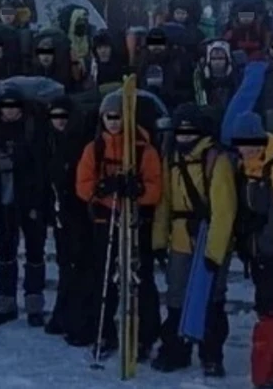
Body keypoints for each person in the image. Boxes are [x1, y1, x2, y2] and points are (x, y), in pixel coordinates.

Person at [75, 90, 163, 358]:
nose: (113, 122)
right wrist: (102, 188)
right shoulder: (94, 149)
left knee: (141, 278)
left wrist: (137, 191)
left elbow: (156, 189)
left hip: (136, 221)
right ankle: (104, 332)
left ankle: (146, 336)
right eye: (108, 117)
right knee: (104, 278)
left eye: (117, 117)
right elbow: (82, 186)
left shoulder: (143, 149)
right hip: (106, 219)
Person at [152, 104, 237, 377]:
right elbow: (164, 203)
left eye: (190, 131)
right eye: (181, 131)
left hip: (209, 237)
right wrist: (157, 241)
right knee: (176, 298)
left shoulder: (216, 159)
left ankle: (211, 355)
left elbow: (224, 209)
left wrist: (214, 253)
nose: (184, 137)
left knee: (212, 298)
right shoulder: (171, 157)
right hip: (179, 239)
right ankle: (175, 350)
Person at [230, 112, 273, 389]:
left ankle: (268, 371)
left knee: (268, 303)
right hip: (258, 250)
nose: (248, 148)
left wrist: (262, 244)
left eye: (252, 142)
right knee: (269, 304)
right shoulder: (244, 167)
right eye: (242, 143)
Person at [0, 87, 47, 327]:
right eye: (6, 107)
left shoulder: (32, 129)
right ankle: (6, 301)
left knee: (35, 252)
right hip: (5, 199)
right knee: (6, 251)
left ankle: (34, 305)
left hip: (30, 199)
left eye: (14, 107)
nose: (9, 111)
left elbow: (40, 165)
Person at [43, 96, 95, 344]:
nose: (59, 122)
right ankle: (62, 315)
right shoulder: (48, 141)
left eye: (64, 117)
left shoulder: (79, 142)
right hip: (60, 213)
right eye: (55, 117)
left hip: (79, 213)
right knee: (66, 265)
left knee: (79, 266)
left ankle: (78, 320)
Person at [138, 28, 193, 112]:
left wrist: (168, 94)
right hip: (147, 109)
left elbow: (187, 90)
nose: (156, 46)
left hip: (172, 108)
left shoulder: (176, 62)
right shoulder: (142, 63)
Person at [194, 40, 240, 128]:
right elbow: (199, 93)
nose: (217, 62)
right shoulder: (200, 72)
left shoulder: (235, 73)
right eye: (214, 59)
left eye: (221, 58)